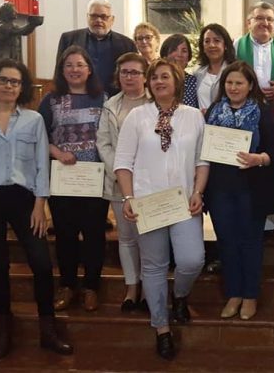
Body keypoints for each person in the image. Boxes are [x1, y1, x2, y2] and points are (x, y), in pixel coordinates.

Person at [0, 59, 72, 358]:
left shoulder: (33, 120)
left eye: (16, 82)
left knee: (42, 263)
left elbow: (39, 165)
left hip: (25, 200)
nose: (9, 86)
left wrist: (40, 205)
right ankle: (3, 328)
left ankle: (48, 329)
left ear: (22, 88)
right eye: (4, 80)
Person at [114, 59, 208, 360]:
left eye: (164, 76)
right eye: (153, 77)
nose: (158, 81)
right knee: (153, 266)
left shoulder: (193, 117)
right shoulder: (137, 116)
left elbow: (201, 161)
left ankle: (179, 295)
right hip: (148, 202)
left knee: (192, 259)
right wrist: (129, 198)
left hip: (182, 202)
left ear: (176, 81)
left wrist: (198, 192)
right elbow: (122, 163)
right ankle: (161, 327)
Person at [204, 61, 274, 321]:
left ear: (250, 86)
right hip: (220, 189)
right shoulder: (213, 110)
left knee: (250, 242)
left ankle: (250, 294)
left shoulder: (264, 112)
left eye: (239, 83)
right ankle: (233, 293)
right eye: (229, 82)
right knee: (226, 242)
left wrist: (259, 159)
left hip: (252, 188)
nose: (233, 87)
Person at [38, 45, 108, 313]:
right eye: (69, 65)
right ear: (62, 70)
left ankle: (91, 287)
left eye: (79, 65)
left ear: (89, 69)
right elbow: (39, 135)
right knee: (66, 234)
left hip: (94, 178)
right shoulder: (51, 100)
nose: (74, 70)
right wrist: (56, 151)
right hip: (64, 178)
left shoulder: (103, 98)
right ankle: (67, 284)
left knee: (93, 235)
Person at [96, 53, 150, 311]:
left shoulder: (156, 102)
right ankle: (132, 287)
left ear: (145, 76)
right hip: (119, 182)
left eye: (135, 72)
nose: (129, 77)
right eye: (124, 72)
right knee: (127, 237)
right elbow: (103, 143)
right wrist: (120, 171)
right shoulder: (111, 105)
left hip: (151, 182)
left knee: (150, 236)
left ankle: (151, 287)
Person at [56, 0, 137, 95]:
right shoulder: (68, 39)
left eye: (103, 17)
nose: (98, 20)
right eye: (94, 16)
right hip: (76, 97)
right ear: (87, 17)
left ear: (112, 19)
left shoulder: (127, 44)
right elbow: (59, 71)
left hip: (115, 99)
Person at [234, 2, 274, 101]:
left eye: (270, 19)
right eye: (259, 18)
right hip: (242, 107)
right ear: (249, 23)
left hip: (272, 109)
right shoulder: (236, 46)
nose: (265, 23)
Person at [193, 23, 237, 111]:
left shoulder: (235, 72)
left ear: (225, 45)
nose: (211, 45)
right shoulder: (197, 73)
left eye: (217, 40)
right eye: (207, 41)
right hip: (201, 124)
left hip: (225, 124)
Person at [159, 33, 199, 109]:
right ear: (165, 55)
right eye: (174, 50)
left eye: (184, 51)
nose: (179, 54)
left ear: (188, 57)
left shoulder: (194, 82)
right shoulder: (157, 80)